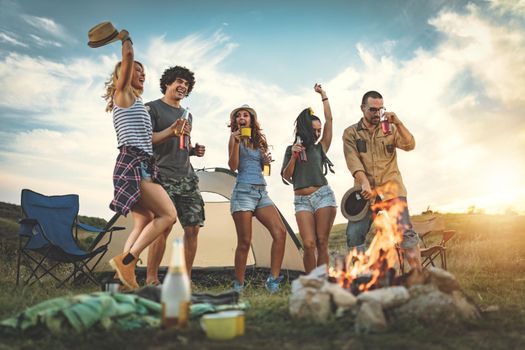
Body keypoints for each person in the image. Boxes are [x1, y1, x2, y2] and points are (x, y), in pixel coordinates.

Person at [103, 29, 177, 290]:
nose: (142, 73)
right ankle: (128, 261)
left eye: (144, 72)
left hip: (142, 161)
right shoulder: (122, 95)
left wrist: (172, 131)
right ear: (123, 73)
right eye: (136, 69)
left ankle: (122, 279)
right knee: (168, 215)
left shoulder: (137, 105)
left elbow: (150, 139)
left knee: (145, 220)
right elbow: (129, 54)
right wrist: (124, 38)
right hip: (134, 163)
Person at [342, 90, 421, 269]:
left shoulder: (391, 128)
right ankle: (362, 279)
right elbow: (353, 161)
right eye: (372, 110)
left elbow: (410, 145)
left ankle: (419, 278)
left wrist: (399, 123)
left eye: (380, 109)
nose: (377, 114)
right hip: (365, 191)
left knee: (405, 233)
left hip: (392, 189)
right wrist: (364, 182)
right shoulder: (350, 133)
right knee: (354, 235)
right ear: (362, 108)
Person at [145, 66, 206, 285]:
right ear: (168, 83)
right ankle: (151, 278)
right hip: (162, 176)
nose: (183, 86)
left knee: (193, 228)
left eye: (187, 84)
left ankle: (185, 279)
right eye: (179, 81)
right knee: (164, 227)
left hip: (187, 177)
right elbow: (146, 141)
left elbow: (179, 143)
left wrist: (193, 150)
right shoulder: (151, 108)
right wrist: (171, 131)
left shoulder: (187, 115)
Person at [228, 105, 287, 293]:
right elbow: (233, 166)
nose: (241, 118)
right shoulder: (234, 138)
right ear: (235, 121)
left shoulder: (260, 141)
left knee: (280, 232)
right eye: (238, 116)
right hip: (243, 192)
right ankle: (238, 285)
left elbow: (262, 169)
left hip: (262, 192)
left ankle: (273, 280)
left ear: (252, 120)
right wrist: (236, 143)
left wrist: (266, 162)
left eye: (245, 115)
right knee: (245, 241)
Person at [281, 84, 336, 273]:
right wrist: (294, 158)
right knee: (309, 244)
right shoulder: (291, 149)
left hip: (323, 195)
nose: (318, 133)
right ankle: (311, 280)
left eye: (319, 130)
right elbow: (287, 176)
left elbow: (329, 119)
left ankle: (322, 282)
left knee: (322, 242)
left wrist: (324, 96)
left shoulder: (321, 147)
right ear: (305, 129)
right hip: (301, 200)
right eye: (314, 130)